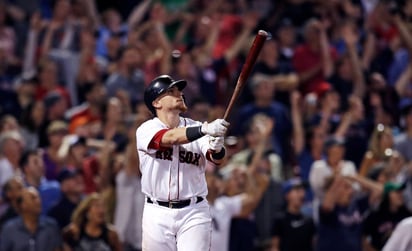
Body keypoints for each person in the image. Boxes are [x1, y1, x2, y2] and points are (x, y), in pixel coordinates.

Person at [135, 75, 229, 250]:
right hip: (157, 212)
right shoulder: (146, 129)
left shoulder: (198, 128)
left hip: (194, 211)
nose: (179, 94)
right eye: (171, 91)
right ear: (156, 103)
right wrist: (204, 129)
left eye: (179, 90)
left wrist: (217, 147)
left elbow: (217, 159)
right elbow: (169, 138)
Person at [0, 187, 63, 251]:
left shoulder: (51, 227)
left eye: (39, 197)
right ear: (22, 205)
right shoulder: (9, 229)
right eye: (33, 198)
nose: (38, 201)